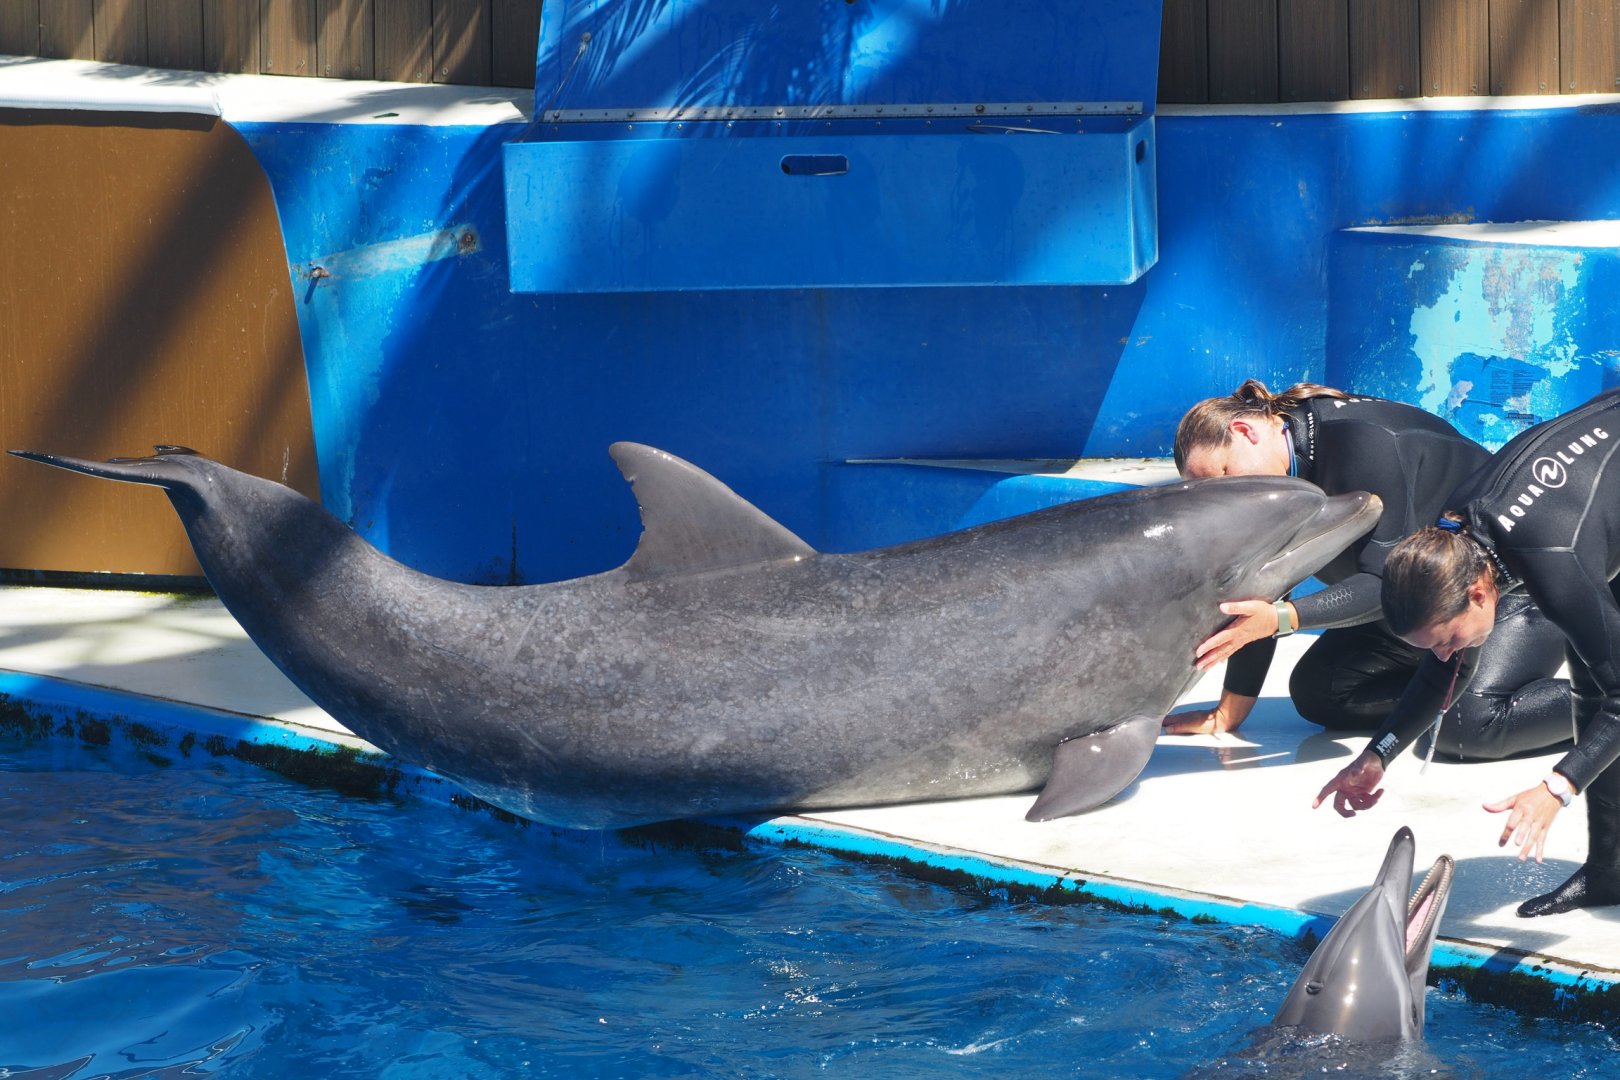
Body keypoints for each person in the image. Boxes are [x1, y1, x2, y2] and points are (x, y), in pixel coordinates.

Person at [1314, 388, 1620, 916]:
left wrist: (1557, 787)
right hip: (1594, 507)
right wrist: (1377, 754)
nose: (1449, 651)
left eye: (1450, 637)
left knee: (1607, 684)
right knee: (1591, 682)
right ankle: (1610, 872)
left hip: (1579, 520)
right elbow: (1443, 674)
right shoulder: (1456, 542)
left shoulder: (1551, 557)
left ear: (1480, 594)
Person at [1162, 379, 1571, 760]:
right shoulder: (1272, 482)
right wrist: (1229, 713)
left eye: (1225, 476)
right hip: (1425, 605)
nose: (1229, 497)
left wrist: (1282, 619)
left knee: (1467, 725)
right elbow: (1262, 595)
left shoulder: (1362, 441)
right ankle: (1443, 691)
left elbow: (1383, 584)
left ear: (1245, 432)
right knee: (1320, 693)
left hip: (1507, 592)